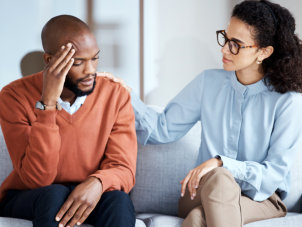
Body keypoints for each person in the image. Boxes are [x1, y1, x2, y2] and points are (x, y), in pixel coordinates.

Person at [113, 0, 302, 226]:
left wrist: (221, 162)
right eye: (225, 38)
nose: (223, 49)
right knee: (220, 180)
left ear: (264, 52)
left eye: (236, 44)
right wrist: (123, 92)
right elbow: (162, 129)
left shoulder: (288, 102)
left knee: (197, 219)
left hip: (260, 199)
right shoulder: (208, 83)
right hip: (198, 193)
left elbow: (273, 175)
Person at [0, 15, 137, 227]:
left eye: (95, 59)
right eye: (79, 62)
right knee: (54, 194)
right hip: (29, 196)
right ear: (49, 60)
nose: (91, 70)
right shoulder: (13, 96)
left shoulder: (115, 95)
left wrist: (98, 182)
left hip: (88, 194)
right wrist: (47, 104)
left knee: (119, 200)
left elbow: (123, 168)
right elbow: (38, 179)